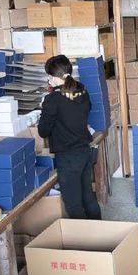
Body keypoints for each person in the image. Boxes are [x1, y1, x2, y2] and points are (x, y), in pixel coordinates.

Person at [38, 55, 101, 220]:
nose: (49, 79)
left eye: (50, 76)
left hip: (67, 156)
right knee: (88, 196)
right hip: (85, 151)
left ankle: (81, 235)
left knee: (73, 204)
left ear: (57, 76)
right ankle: (100, 231)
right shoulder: (83, 91)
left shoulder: (52, 100)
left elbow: (43, 131)